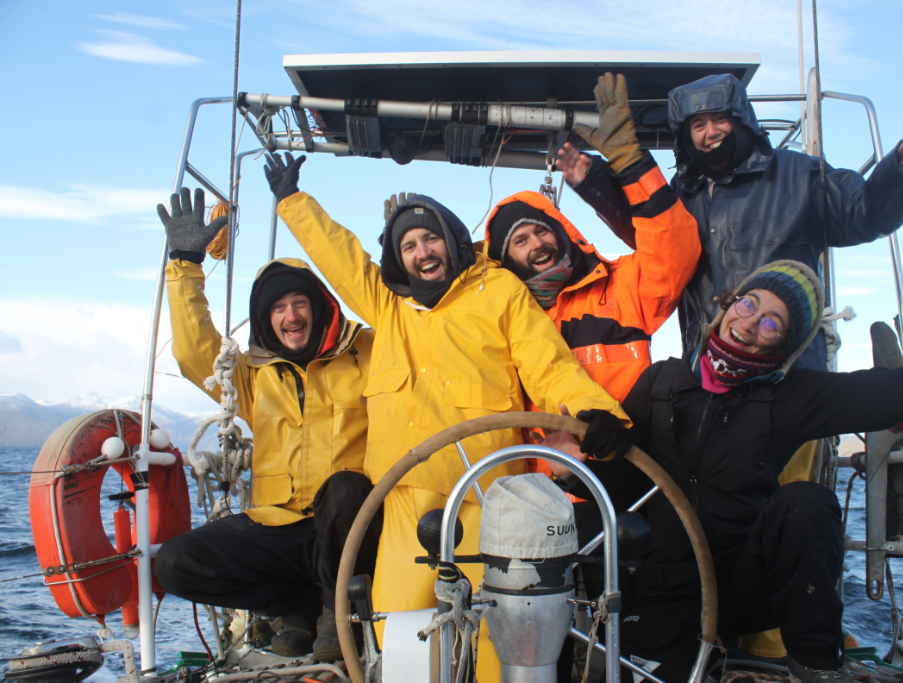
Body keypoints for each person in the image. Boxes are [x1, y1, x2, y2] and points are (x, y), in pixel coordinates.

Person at [553, 260, 903, 683]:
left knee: (806, 504)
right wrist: (578, 467)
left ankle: (818, 666)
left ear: (786, 344)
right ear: (730, 303)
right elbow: (627, 488)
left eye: (771, 322)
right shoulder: (661, 382)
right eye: (749, 303)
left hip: (741, 589)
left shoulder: (790, 397)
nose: (750, 323)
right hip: (662, 589)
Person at [265, 154, 628, 679]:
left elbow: (549, 365)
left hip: (490, 495)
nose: (422, 252)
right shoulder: (387, 303)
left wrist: (598, 413)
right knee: (400, 638)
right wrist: (293, 203)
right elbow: (340, 256)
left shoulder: (499, 291)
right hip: (405, 494)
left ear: (452, 239)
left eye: (430, 238)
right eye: (408, 246)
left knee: (496, 637)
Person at [570, 73, 903, 372]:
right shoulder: (682, 191)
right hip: (706, 368)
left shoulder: (799, 173)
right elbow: (653, 238)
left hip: (788, 369)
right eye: (698, 124)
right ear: (685, 135)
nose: (711, 132)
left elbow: (863, 217)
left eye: (720, 119)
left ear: (742, 119)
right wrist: (596, 184)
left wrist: (896, 181)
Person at [152, 188, 380, 662]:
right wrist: (185, 264)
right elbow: (194, 353)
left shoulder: (369, 352)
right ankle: (297, 606)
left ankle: (338, 618)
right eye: (278, 308)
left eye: (299, 303)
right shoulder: (252, 376)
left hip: (349, 525)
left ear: (319, 306)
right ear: (265, 318)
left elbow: (407, 329)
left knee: (345, 488)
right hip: (278, 525)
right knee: (175, 563)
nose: (290, 316)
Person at [485, 72, 701, 403]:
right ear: (506, 259)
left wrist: (631, 163)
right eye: (521, 241)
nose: (537, 244)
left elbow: (674, 249)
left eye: (541, 231)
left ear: (560, 233)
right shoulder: (501, 315)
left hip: (626, 436)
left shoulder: (619, 288)